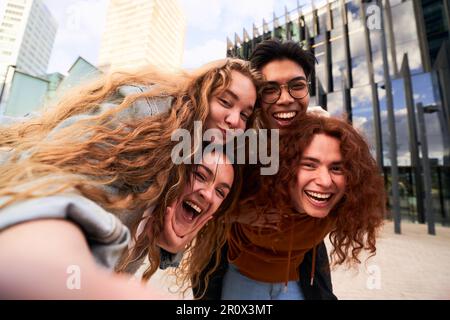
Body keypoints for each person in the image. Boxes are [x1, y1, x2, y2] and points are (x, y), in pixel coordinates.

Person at [0, 58, 260, 299]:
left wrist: (168, 245)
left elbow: (141, 217)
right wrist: (73, 271)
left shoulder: (193, 151)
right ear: (201, 93)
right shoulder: (149, 114)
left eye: (245, 115)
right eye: (225, 102)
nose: (234, 120)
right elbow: (58, 180)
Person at [194, 39, 336, 300]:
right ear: (258, 98)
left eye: (297, 86)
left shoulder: (325, 137)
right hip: (236, 269)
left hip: (298, 272)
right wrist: (236, 213)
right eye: (270, 90)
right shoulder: (233, 137)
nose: (285, 100)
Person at [221, 114, 386, 300]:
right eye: (309, 165)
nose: (325, 181)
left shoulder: (341, 207)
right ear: (285, 167)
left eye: (336, 168)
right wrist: (234, 215)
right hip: (242, 278)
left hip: (291, 282)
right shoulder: (254, 192)